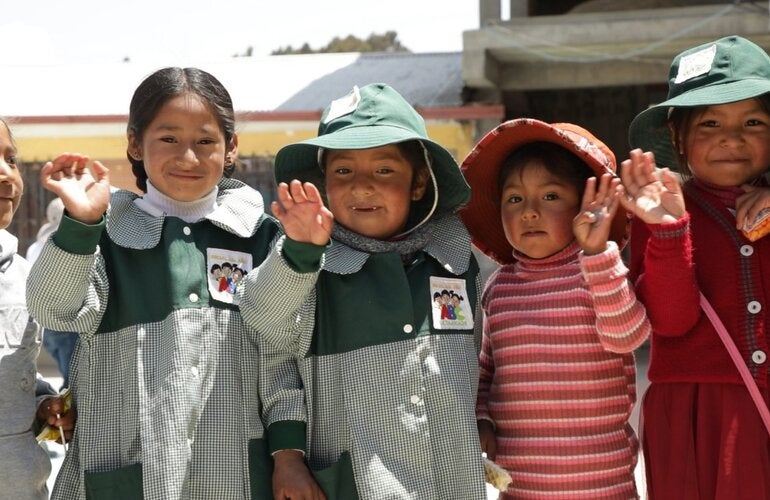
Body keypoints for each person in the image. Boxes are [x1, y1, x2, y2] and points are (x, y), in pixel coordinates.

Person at [25, 67, 331, 500]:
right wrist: (80, 226)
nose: (188, 157)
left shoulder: (263, 238)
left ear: (231, 148)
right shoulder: (106, 234)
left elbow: (279, 359)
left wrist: (287, 453)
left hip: (235, 475)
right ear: (134, 143)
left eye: (205, 141)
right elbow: (53, 308)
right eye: (168, 138)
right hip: (126, 472)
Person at [240, 83, 487, 499]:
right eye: (343, 171)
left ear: (419, 184)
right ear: (323, 184)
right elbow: (263, 319)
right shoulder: (306, 263)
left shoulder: (454, 262)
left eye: (384, 169)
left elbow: (475, 360)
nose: (361, 186)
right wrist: (288, 455)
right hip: (360, 485)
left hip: (453, 480)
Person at [460, 118, 651, 498]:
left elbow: (628, 335)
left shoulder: (600, 271)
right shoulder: (500, 287)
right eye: (514, 199)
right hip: (522, 487)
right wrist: (482, 419)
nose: (529, 211)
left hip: (604, 485)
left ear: (585, 205)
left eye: (550, 196)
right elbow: (485, 369)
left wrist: (596, 254)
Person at [625, 35, 770, 498]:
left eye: (753, 121)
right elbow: (671, 320)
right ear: (677, 137)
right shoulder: (658, 211)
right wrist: (669, 231)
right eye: (710, 122)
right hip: (693, 414)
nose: (733, 137)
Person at [0, 117, 74, 500]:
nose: (5, 174)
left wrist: (44, 404)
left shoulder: (25, 276)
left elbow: (18, 376)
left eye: (10, 159)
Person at [26, 197, 79, 389]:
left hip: (45, 323)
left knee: (68, 373)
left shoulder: (35, 247)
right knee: (74, 380)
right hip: (67, 322)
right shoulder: (65, 244)